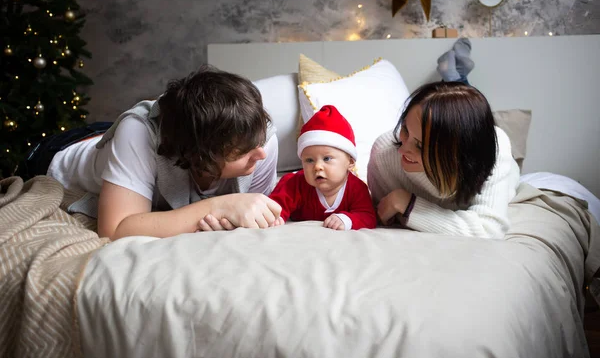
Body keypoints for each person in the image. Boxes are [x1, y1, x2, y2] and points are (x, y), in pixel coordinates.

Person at [31, 64, 282, 240]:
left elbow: (248, 211)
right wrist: (217, 206)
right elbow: (115, 229)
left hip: (136, 147)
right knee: (132, 133)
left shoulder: (263, 141)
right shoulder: (138, 133)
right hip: (65, 152)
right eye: (241, 151)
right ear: (199, 155)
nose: (260, 155)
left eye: (258, 141)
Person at [367, 81, 520, 238]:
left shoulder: (495, 148)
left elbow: (489, 231)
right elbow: (385, 216)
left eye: (420, 146)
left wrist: (409, 204)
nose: (402, 149)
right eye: (405, 129)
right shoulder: (383, 154)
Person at [268, 105, 377, 230]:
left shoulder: (357, 188)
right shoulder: (295, 184)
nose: (317, 166)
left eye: (327, 159)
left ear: (350, 162)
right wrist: (276, 217)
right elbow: (276, 205)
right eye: (309, 160)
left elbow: (368, 217)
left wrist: (348, 219)